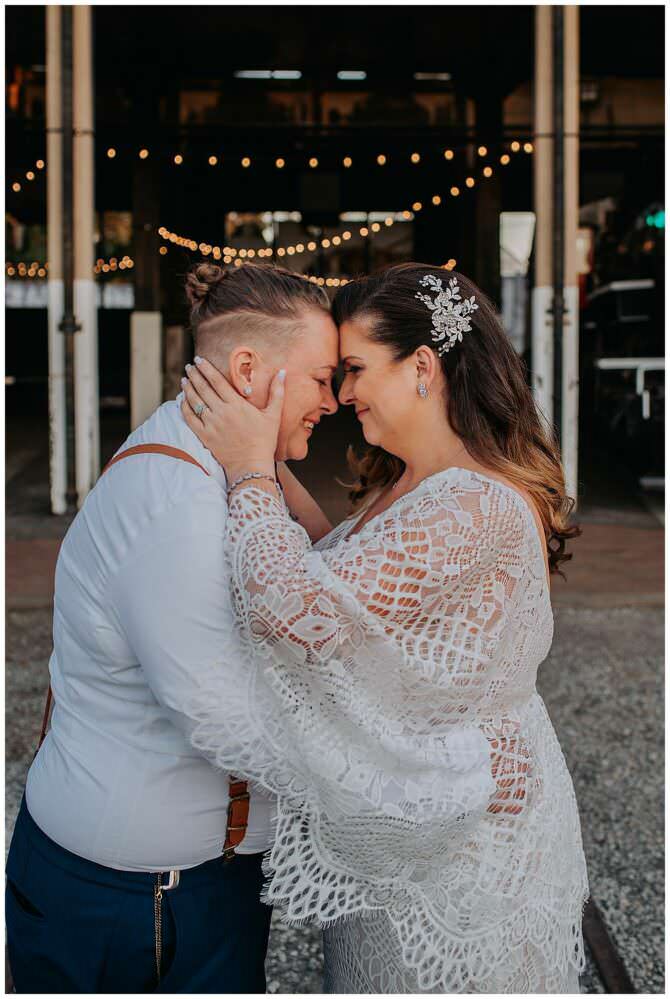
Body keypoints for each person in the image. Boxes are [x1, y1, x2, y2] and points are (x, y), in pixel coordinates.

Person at [181, 262, 590, 994]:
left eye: (356, 369)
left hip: (460, 849)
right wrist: (267, 453)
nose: (340, 395)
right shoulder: (410, 481)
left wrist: (247, 470)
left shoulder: (474, 505)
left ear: (424, 366)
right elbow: (335, 569)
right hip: (415, 818)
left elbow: (300, 611)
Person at [5, 263, 339, 993]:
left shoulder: (216, 465)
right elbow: (227, 721)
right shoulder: (175, 505)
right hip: (127, 905)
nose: (333, 400)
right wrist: (403, 774)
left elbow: (321, 568)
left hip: (183, 890)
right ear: (248, 368)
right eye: (320, 378)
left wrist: (262, 460)